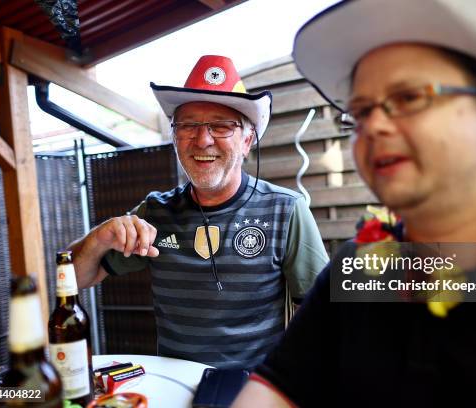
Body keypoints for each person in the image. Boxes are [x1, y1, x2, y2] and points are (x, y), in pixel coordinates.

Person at [233, 0, 476, 406]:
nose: (374, 125)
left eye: (410, 96)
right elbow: (277, 390)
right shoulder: (358, 274)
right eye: (360, 111)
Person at [68, 55, 329, 369]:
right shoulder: (155, 212)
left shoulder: (286, 210)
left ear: (247, 141)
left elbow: (320, 313)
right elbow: (73, 280)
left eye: (221, 126)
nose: (202, 140)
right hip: (175, 389)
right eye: (189, 126)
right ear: (176, 137)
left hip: (254, 390)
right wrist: (99, 238)